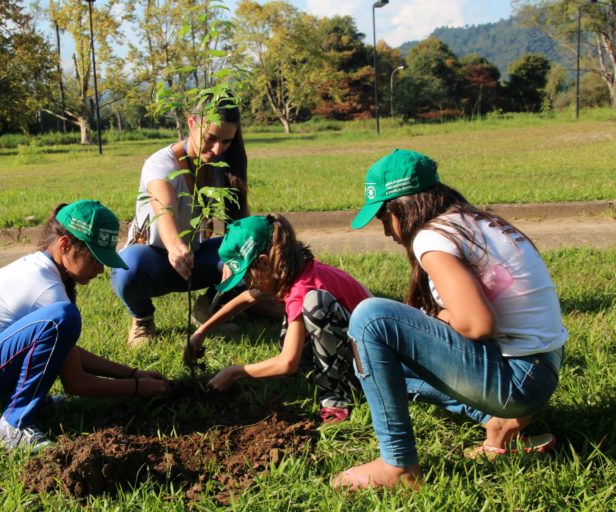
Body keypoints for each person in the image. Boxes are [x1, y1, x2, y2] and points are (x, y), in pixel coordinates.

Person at [333, 149, 567, 490]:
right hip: (539, 367)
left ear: (402, 208)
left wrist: (437, 315)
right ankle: (498, 422)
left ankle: (397, 465)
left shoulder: (433, 237)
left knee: (369, 318)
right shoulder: (474, 222)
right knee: (383, 371)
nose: (386, 232)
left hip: (518, 378)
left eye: (384, 218)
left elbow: (477, 324)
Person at [0, 200, 170, 452]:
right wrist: (136, 388)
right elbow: (76, 383)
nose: (100, 269)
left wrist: (132, 373)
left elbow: (66, 352)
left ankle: (19, 400)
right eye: (94, 258)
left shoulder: (42, 270)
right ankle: (14, 424)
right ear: (65, 245)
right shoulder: (46, 288)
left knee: (60, 322)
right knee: (64, 317)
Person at [184, 214, 373, 423]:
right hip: (356, 340)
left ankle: (337, 395)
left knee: (313, 307)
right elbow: (247, 299)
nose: (247, 284)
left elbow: (287, 363)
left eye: (247, 276)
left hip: (371, 360)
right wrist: (203, 331)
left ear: (264, 263)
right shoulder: (292, 270)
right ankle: (323, 373)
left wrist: (234, 372)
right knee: (289, 337)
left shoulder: (303, 289)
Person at [111, 93, 254, 348]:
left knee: (251, 249)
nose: (217, 149)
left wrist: (238, 256)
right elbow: (163, 208)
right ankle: (142, 318)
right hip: (153, 260)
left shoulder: (222, 165)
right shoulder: (161, 164)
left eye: (226, 142)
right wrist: (176, 246)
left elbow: (238, 225)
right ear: (191, 123)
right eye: (210, 139)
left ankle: (209, 308)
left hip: (194, 258)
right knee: (127, 268)